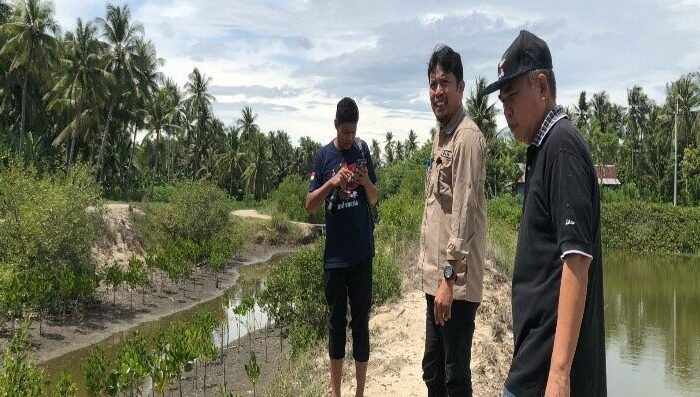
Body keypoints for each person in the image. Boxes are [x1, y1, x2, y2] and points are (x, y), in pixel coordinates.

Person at [483, 30, 606, 397]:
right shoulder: (542, 149)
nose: (505, 109)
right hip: (533, 362)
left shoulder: (562, 147)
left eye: (511, 95)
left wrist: (559, 376)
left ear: (541, 86)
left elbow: (576, 261)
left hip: (543, 375)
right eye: (501, 99)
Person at [419, 45, 487, 397]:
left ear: (461, 86)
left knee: (454, 376)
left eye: (444, 82)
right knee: (433, 370)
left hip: (454, 287)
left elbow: (462, 218)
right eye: (433, 84)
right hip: (436, 282)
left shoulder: (467, 138)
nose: (437, 91)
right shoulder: (441, 134)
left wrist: (447, 279)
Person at [305, 97, 378, 397]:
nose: (350, 138)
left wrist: (364, 183)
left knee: (360, 324)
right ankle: (336, 392)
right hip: (335, 258)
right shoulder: (323, 157)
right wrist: (333, 181)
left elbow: (374, 198)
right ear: (336, 125)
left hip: (362, 254)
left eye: (354, 131)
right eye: (345, 132)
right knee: (336, 325)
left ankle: (359, 392)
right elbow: (309, 205)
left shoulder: (362, 151)